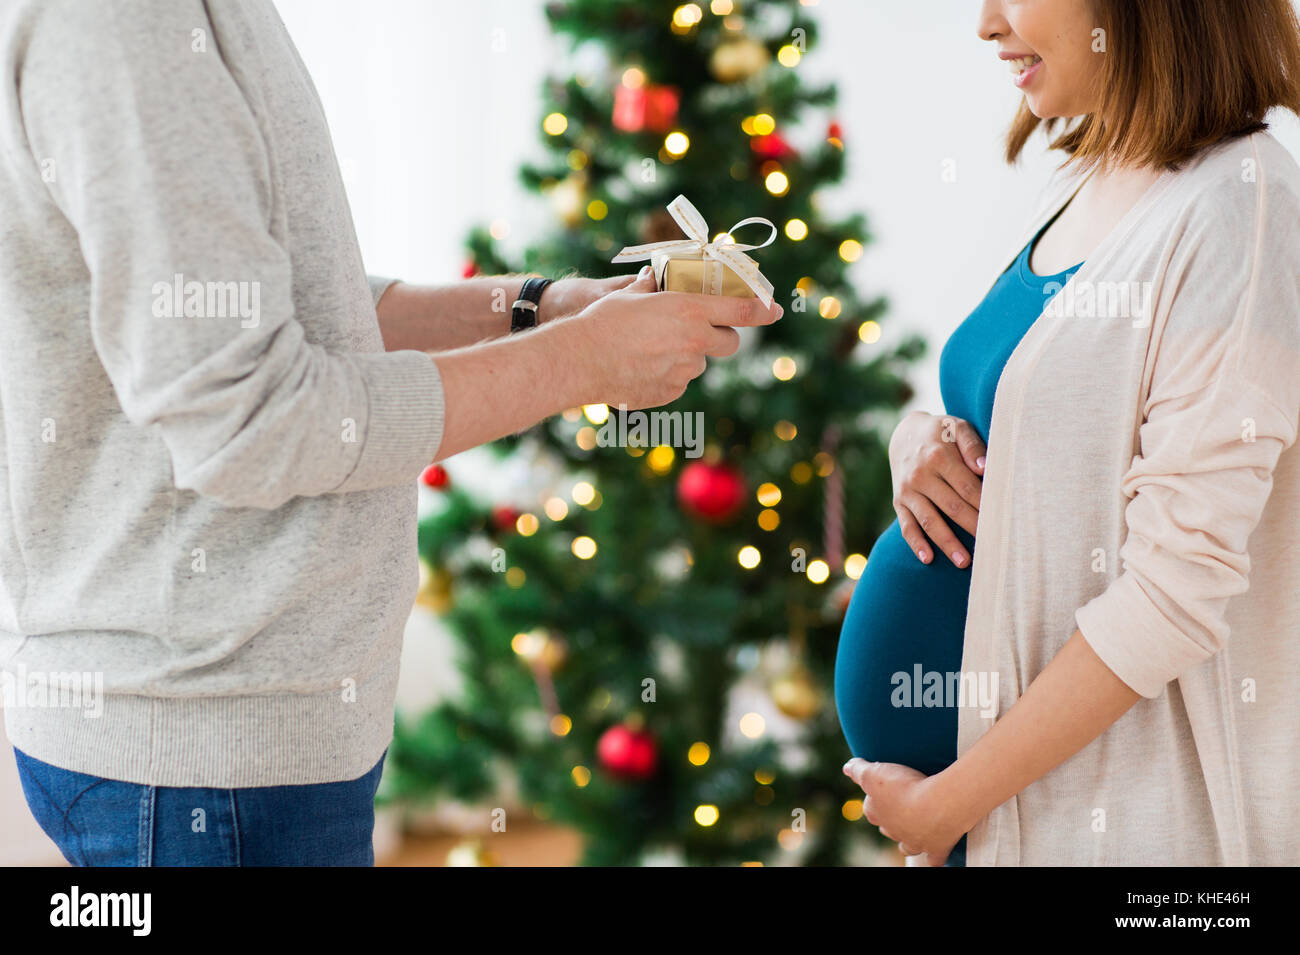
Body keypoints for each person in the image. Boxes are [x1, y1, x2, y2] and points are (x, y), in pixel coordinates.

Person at [0, 0, 780, 866]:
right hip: (206, 762)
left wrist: (535, 308)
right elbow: (251, 418)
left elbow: (287, 306)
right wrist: (580, 362)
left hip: (236, 738)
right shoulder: (125, 21)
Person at [837, 0, 1300, 865]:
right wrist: (917, 443)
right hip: (1008, 815)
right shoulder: (1091, 173)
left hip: (1124, 830)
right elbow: (1019, 410)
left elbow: (1173, 591)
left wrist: (949, 803)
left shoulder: (1244, 206)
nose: (985, 24)